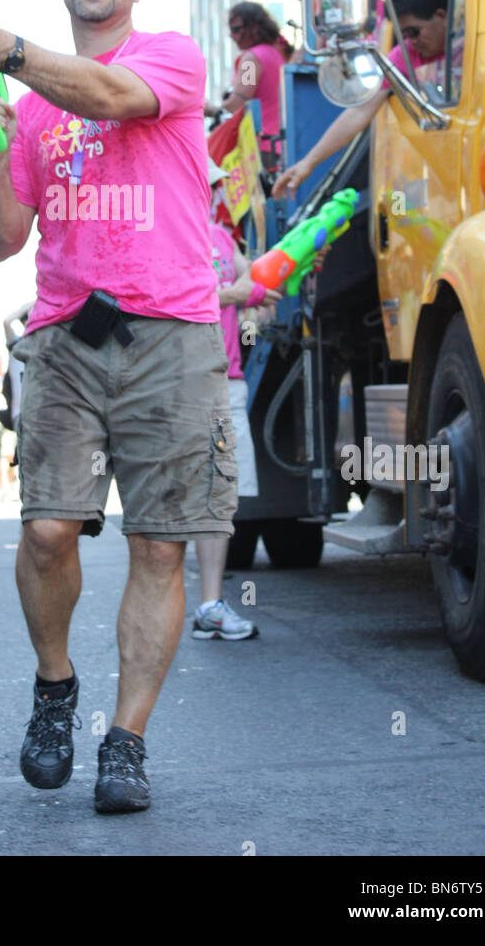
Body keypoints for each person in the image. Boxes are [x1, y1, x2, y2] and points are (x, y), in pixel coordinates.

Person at [0, 0, 240, 816]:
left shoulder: (171, 59)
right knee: (45, 532)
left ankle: (128, 742)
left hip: (175, 334)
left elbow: (108, 98)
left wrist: (2, 49)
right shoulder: (29, 110)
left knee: (160, 545)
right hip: (67, 336)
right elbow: (2, 242)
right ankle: (55, 688)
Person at [193, 168, 281, 640]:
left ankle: (208, 604)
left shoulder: (224, 241)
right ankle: (173, 603)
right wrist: (237, 295)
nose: (212, 192)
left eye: (214, 185)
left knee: (219, 499)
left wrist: (259, 307)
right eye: (207, 184)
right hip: (177, 379)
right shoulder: (164, 234)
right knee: (181, 495)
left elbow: (258, 287)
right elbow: (165, 299)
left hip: (226, 381)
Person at [273, 0, 448, 199]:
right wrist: (309, 162)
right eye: (403, 34)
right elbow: (360, 110)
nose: (410, 41)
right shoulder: (403, 56)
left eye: (414, 31)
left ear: (442, 16)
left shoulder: (470, 47)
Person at [206, 2, 286, 166]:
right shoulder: (275, 55)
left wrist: (209, 109)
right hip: (276, 145)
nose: (232, 36)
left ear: (254, 27)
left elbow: (239, 102)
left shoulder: (251, 59)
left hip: (258, 147)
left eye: (236, 29)